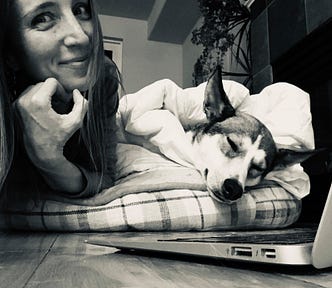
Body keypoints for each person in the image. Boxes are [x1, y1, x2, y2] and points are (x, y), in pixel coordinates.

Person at [1, 0, 120, 203]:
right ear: (11, 53)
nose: (81, 38)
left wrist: (49, 159)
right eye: (43, 18)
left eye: (80, 9)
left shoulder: (104, 75)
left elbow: (103, 176)